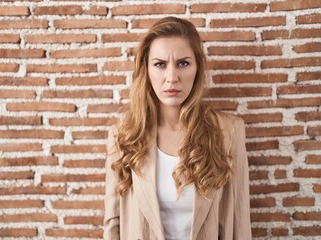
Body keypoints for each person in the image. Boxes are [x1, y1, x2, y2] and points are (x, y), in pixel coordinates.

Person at [103, 16, 252, 240]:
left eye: (183, 63)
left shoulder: (229, 132)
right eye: (160, 64)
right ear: (147, 69)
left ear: (197, 67)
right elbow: (113, 223)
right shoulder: (124, 135)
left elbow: (240, 223)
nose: (172, 77)